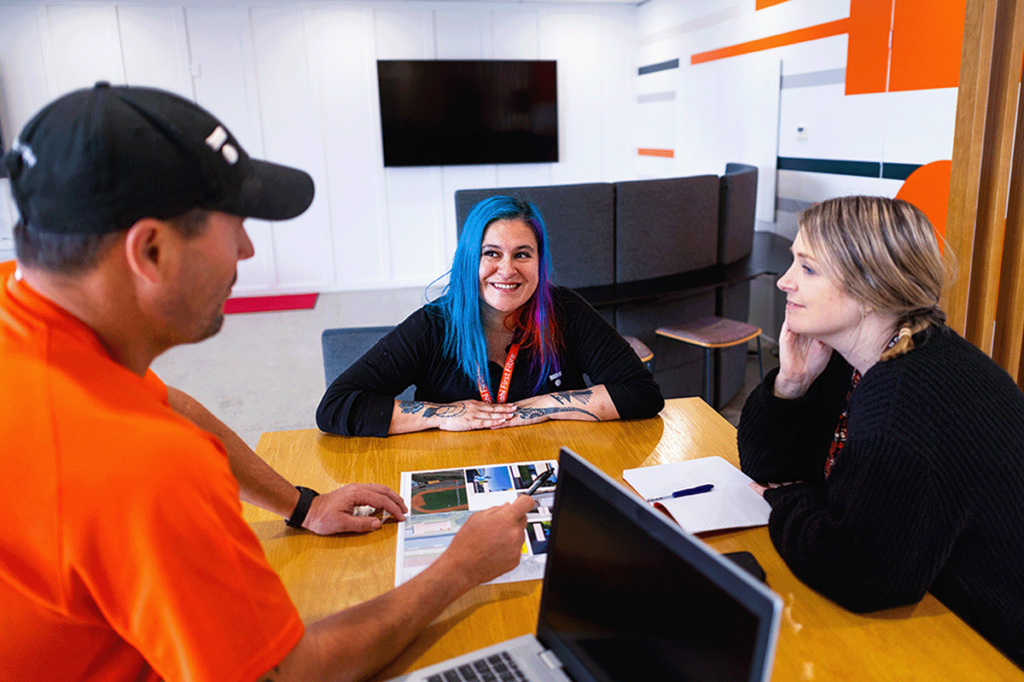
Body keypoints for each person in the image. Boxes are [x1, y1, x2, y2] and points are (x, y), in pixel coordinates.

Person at [0, 82, 535, 681]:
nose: (249, 250)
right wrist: (459, 567)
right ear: (149, 250)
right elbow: (290, 673)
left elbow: (168, 402)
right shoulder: (145, 467)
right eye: (236, 227)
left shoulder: (26, 316)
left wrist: (301, 504)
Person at [737, 196, 1024, 667]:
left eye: (808, 269)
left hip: (982, 646)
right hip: (931, 604)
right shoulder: (860, 354)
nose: (784, 280)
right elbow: (764, 466)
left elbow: (859, 577)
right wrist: (792, 383)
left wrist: (787, 498)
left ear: (871, 289)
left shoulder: (909, 403)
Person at [316, 196, 664, 437]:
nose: (507, 270)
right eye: (491, 253)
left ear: (540, 263)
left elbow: (641, 394)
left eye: (522, 254)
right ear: (469, 260)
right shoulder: (434, 325)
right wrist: (445, 415)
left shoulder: (565, 311)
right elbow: (336, 406)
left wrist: (542, 406)